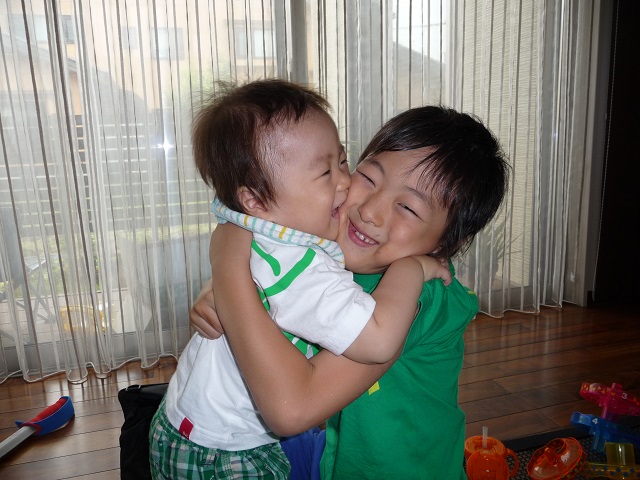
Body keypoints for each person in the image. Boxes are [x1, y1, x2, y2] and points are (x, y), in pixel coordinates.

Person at [148, 80, 450, 480]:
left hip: (183, 424)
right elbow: (377, 339)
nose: (346, 183)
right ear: (256, 200)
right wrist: (411, 269)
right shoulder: (304, 263)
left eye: (343, 162)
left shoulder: (251, 227)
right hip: (227, 454)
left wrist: (226, 275)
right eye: (327, 172)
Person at [191, 104, 510, 479]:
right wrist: (235, 288)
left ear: (445, 243)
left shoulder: (419, 299)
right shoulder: (338, 253)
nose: (370, 211)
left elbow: (291, 409)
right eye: (370, 178)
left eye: (408, 208)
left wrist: (229, 268)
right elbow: (281, 264)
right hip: (341, 457)